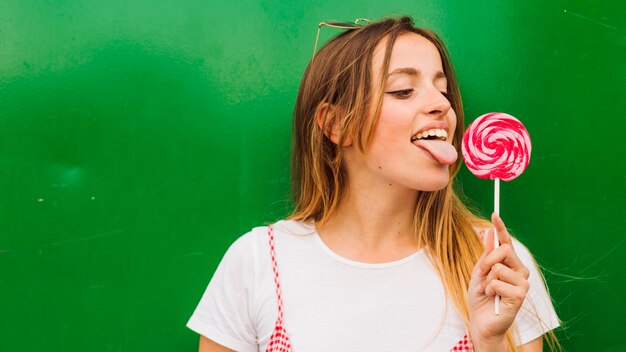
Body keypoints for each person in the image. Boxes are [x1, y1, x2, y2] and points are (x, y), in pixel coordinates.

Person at [187, 16, 560, 352]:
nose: (443, 106)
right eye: (403, 90)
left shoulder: (497, 267)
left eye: (443, 90)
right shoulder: (257, 263)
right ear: (335, 124)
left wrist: (491, 342)